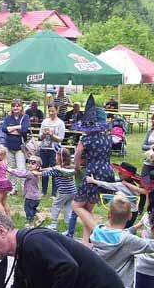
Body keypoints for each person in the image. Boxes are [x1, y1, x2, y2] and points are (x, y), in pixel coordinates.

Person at [69, 94, 115, 243]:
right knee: (88, 209)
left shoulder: (86, 139)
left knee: (76, 205)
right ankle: (86, 244)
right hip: (106, 171)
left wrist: (76, 167)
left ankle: (99, 234)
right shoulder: (108, 137)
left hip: (92, 173)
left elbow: (77, 155)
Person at [85, 162, 140, 228]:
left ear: (126, 175)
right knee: (125, 232)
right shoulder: (133, 185)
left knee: (119, 230)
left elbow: (108, 185)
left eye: (121, 172)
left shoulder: (121, 185)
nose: (119, 173)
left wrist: (94, 181)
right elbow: (116, 180)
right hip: (133, 212)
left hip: (125, 213)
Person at [38, 147, 76, 234]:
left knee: (56, 206)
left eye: (56, 156)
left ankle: (53, 225)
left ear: (60, 157)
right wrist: (42, 169)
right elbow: (51, 169)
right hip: (73, 191)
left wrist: (37, 172)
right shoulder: (69, 167)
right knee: (68, 208)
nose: (55, 157)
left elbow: (45, 173)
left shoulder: (58, 170)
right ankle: (69, 228)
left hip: (64, 192)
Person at [2, 99, 30, 195]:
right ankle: (13, 188)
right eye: (14, 106)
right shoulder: (8, 117)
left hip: (20, 148)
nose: (15, 107)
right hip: (9, 146)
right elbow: (4, 128)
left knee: (21, 169)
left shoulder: (25, 117)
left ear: (21, 107)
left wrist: (12, 128)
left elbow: (25, 129)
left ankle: (25, 190)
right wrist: (18, 127)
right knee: (11, 169)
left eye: (18, 106)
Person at [38, 103, 66, 197]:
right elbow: (39, 137)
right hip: (44, 148)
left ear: (57, 111)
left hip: (54, 150)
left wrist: (51, 135)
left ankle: (54, 193)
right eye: (49, 111)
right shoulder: (44, 121)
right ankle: (43, 191)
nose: (51, 113)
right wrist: (44, 135)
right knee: (44, 170)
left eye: (53, 111)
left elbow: (61, 138)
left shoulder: (60, 123)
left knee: (55, 170)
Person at [8, 155, 43, 226]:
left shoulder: (30, 173)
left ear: (38, 166)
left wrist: (10, 170)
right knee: (33, 208)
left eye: (33, 163)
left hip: (30, 197)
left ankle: (30, 224)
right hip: (36, 197)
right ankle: (40, 217)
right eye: (29, 162)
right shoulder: (37, 173)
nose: (30, 165)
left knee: (28, 210)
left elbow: (20, 174)